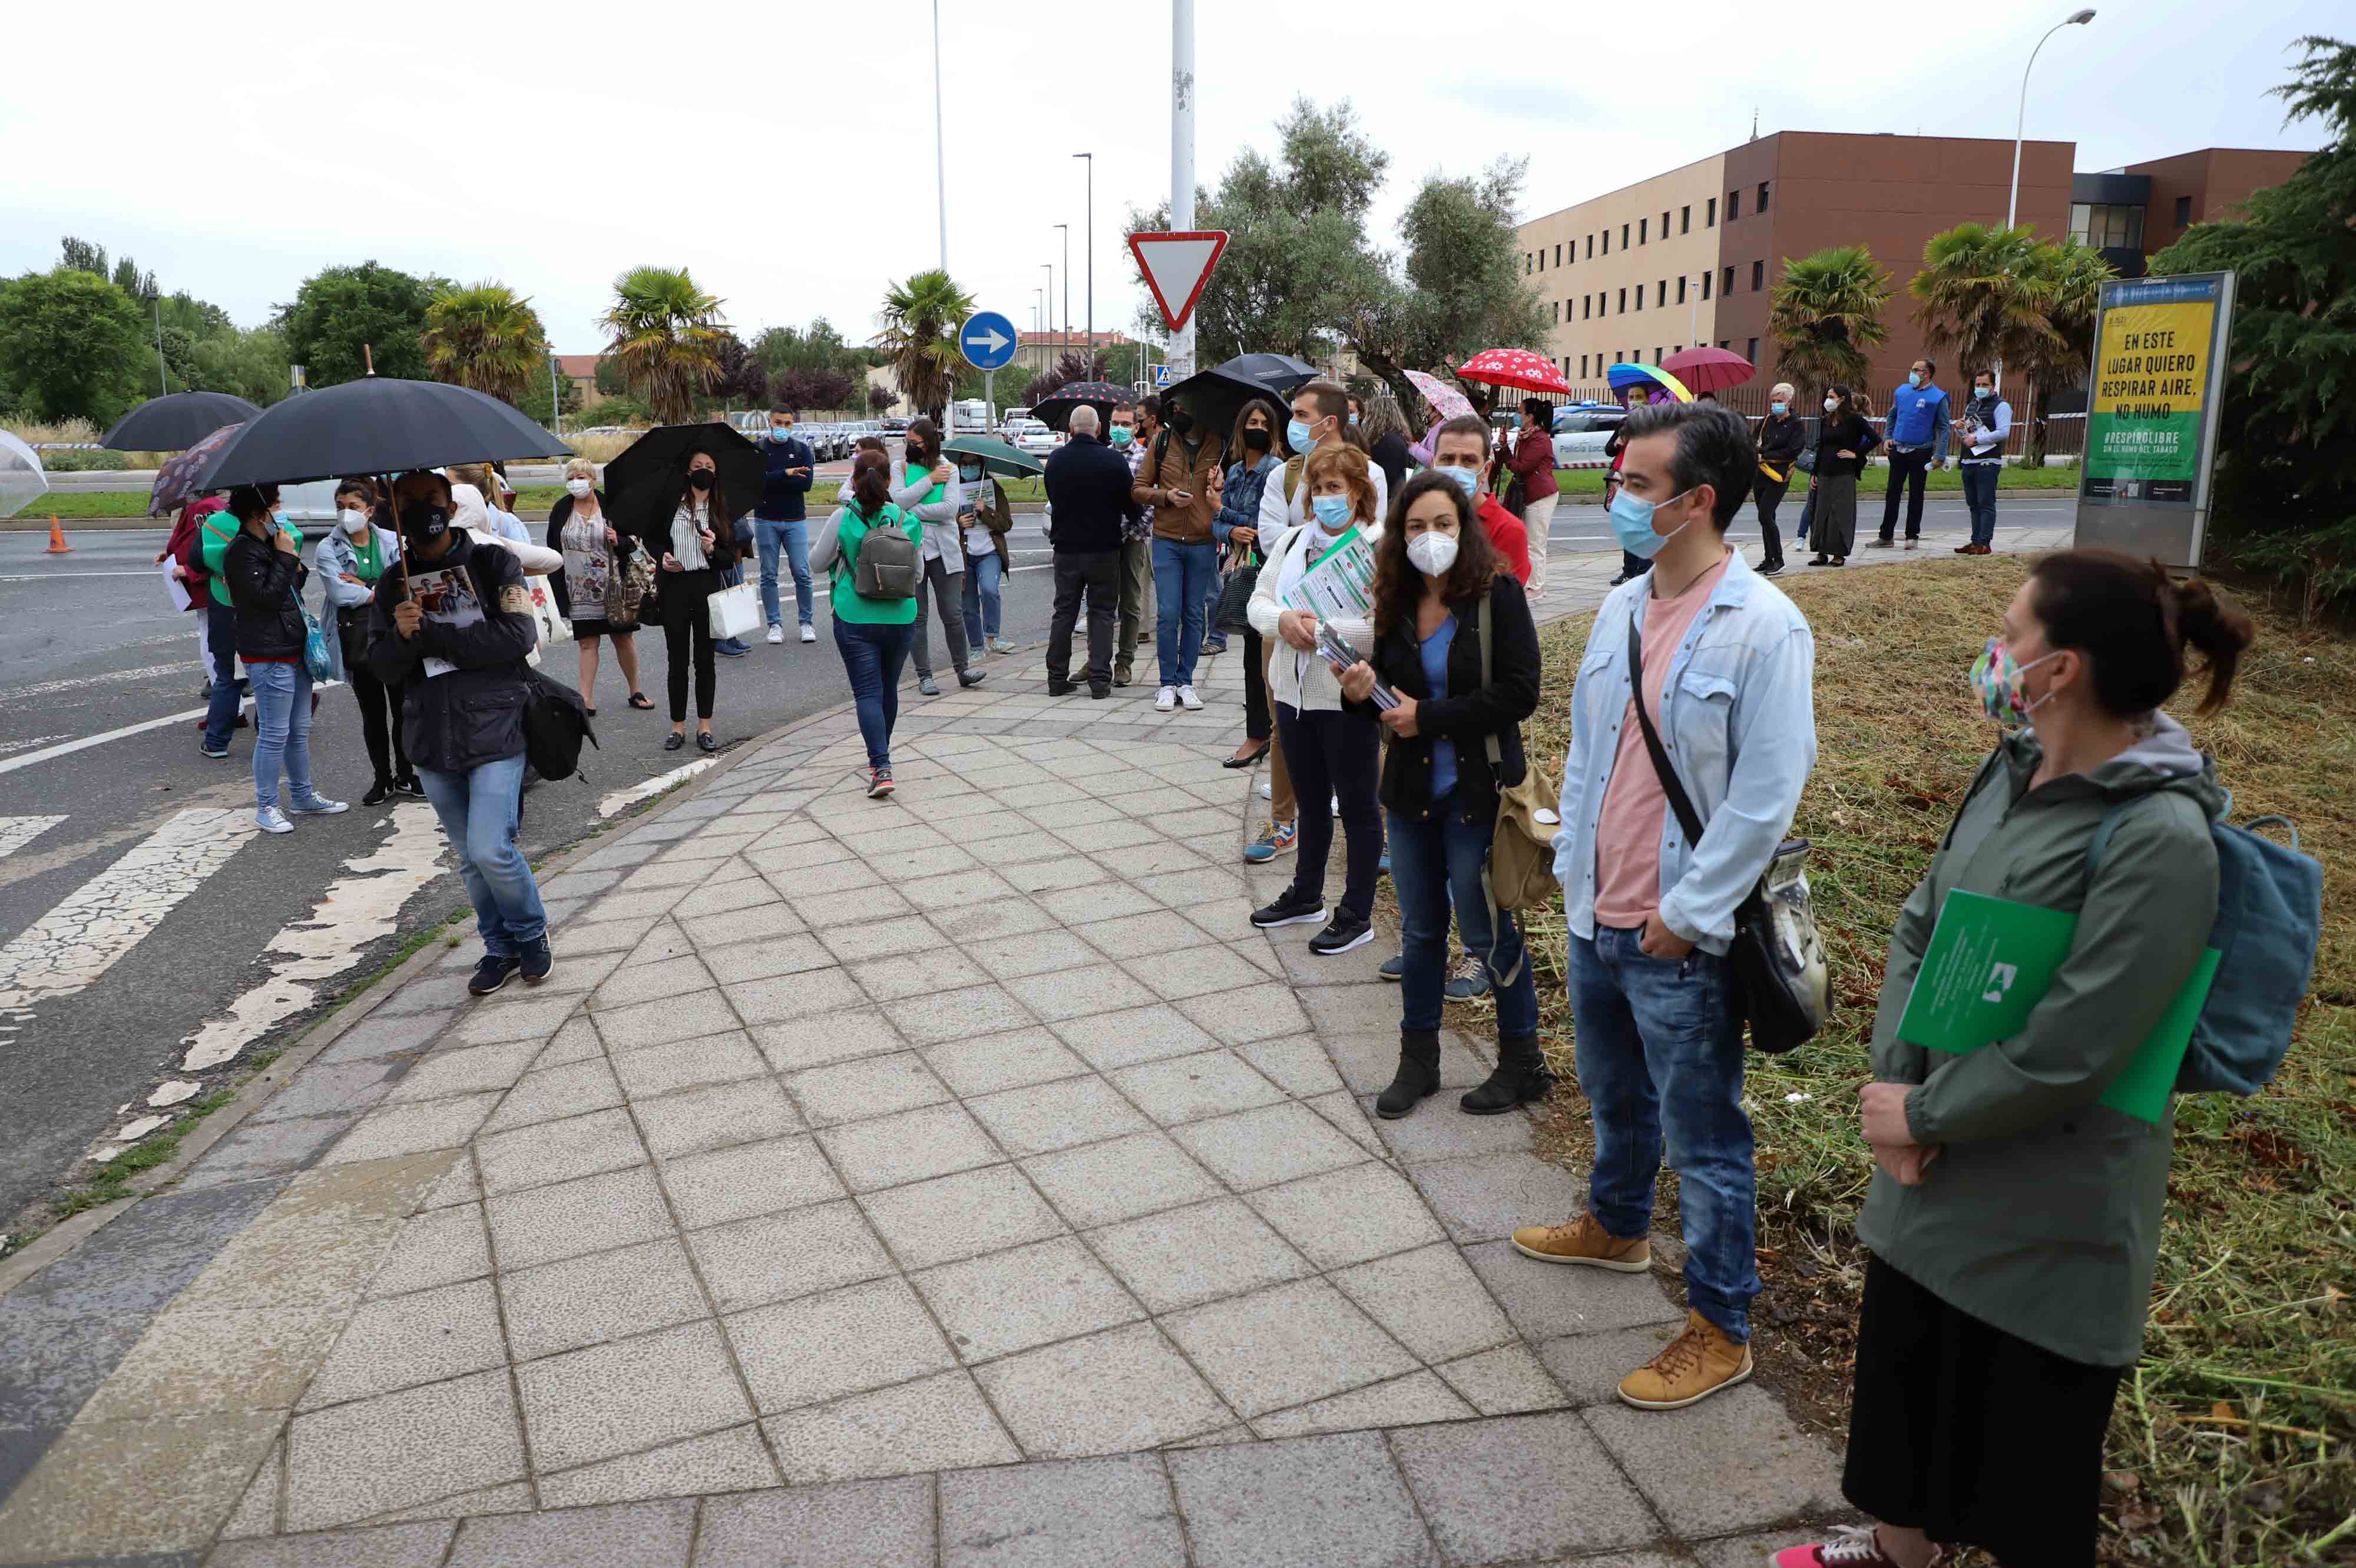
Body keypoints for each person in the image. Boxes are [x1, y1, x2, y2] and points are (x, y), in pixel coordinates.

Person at [1782, 551, 2251, 1568]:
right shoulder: (2011, 770)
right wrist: (1897, 1087)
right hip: (1933, 1171)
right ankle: (1899, 1551)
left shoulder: (2162, 837)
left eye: (2009, 633)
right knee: (1909, 1407)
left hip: (2048, 1214)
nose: (1993, 652)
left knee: (2025, 1473)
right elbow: (1923, 921)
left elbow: (2080, 1043)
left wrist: (1923, 1115)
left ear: (2062, 667)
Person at [1513, 401, 1816, 1412]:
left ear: (1698, 501)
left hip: (1680, 933)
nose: (1618, 497)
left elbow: (1767, 795)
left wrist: (1688, 913)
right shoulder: (1621, 608)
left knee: (1705, 1137)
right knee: (1615, 1094)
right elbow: (1591, 753)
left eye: (1638, 485)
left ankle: (1722, 1325)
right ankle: (1616, 1225)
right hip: (1599, 911)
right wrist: (1573, 872)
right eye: (1618, 480)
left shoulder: (1764, 626)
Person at [1341, 471, 1544, 1117]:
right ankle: (1419, 1061)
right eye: (1416, 527)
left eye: (1443, 524)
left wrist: (1426, 717)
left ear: (1465, 528)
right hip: (1411, 796)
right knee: (1422, 932)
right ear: (1400, 537)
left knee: (1488, 933)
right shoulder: (1395, 601)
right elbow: (1388, 704)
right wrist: (1360, 694)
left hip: (1477, 797)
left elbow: (1520, 692)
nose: (1430, 537)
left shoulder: (1497, 596)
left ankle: (1523, 1063)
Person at [368, 469, 549, 994]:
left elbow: (517, 636)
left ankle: (530, 934)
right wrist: (401, 637)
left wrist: (432, 631)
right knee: (470, 858)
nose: (422, 509)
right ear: (394, 513)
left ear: (450, 506)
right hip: (430, 735)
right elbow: (381, 667)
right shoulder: (392, 582)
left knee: (492, 849)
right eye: (408, 502)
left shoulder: (494, 563)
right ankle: (499, 947)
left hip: (495, 725)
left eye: (431, 498)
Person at [1246, 446, 1387, 957]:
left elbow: (1383, 627)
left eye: (1336, 488)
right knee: (1310, 801)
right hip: (1292, 693)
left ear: (1358, 493)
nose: (1326, 497)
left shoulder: (1378, 547)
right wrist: (1282, 621)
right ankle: (1307, 895)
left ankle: (1357, 913)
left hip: (1344, 696)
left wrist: (1323, 630)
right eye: (1319, 488)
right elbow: (1258, 601)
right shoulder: (1292, 541)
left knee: (1358, 806)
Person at [221, 485, 346, 833]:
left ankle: (303, 796)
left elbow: (294, 586)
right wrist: (285, 558)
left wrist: (289, 557)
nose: (281, 513)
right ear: (258, 514)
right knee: (274, 733)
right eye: (276, 506)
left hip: (294, 646)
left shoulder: (270, 544)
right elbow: (266, 599)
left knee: (298, 730)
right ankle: (267, 805)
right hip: (267, 652)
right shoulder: (241, 552)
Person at [808, 449, 921, 796]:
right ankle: (880, 757)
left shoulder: (842, 518)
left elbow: (816, 563)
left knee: (868, 693)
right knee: (888, 689)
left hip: (854, 614)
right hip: (901, 616)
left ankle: (881, 767)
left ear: (854, 481)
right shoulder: (907, 520)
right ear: (889, 481)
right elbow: (917, 573)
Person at [620, 448, 738, 753]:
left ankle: (705, 726)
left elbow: (729, 558)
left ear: (716, 473)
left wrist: (712, 549)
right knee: (677, 660)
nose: (703, 470)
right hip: (675, 588)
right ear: (688, 472)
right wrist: (663, 558)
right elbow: (653, 540)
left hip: (706, 588)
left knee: (705, 661)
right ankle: (677, 726)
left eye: (709, 466)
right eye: (698, 465)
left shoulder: (720, 509)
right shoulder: (672, 505)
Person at [317, 479, 419, 805]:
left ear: (370, 511)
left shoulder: (392, 540)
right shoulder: (328, 548)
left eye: (353, 507)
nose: (345, 513)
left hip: (395, 634)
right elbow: (340, 594)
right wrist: (378, 589)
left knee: (403, 709)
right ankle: (382, 778)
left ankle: (407, 773)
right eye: (340, 507)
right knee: (372, 714)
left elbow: (405, 586)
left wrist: (364, 585)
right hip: (357, 637)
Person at [1041, 405, 1138, 699]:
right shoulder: (1113, 461)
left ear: (1071, 430)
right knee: (1103, 614)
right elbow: (1131, 507)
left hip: (1066, 550)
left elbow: (1053, 497)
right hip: (1104, 550)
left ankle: (1057, 679)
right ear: (1099, 429)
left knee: (1064, 613)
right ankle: (1099, 680)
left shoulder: (1055, 460)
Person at [1135, 396, 1226, 712]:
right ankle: (1166, 683)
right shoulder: (1161, 442)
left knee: (1194, 613)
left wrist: (1220, 487)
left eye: (1186, 408)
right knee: (1168, 613)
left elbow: (1229, 494)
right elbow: (1138, 488)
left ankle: (1186, 681)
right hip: (1167, 540)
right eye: (1175, 409)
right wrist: (1166, 496)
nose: (1179, 413)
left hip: (1203, 540)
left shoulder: (1219, 444)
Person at [547, 458, 651, 716]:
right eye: (571, 478)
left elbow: (635, 539)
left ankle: (635, 690)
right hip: (577, 592)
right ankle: (586, 700)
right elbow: (552, 548)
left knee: (623, 638)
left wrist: (619, 541)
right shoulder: (561, 509)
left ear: (593, 480)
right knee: (587, 643)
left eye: (581, 477)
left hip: (613, 588)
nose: (576, 483)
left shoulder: (611, 505)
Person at [899, 418, 984, 696]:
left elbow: (949, 510)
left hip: (944, 551)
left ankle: (963, 670)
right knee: (918, 616)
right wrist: (929, 482)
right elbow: (897, 502)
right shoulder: (900, 468)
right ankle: (924, 676)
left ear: (930, 443)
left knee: (953, 613)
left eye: (915, 443)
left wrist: (913, 509)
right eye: (907, 442)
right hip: (912, 551)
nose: (910, 447)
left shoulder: (950, 468)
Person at [162, 492, 249, 754]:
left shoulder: (209, 512)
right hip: (258, 603)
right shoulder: (273, 522)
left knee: (224, 666)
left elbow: (199, 556)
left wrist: (187, 568)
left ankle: (219, 737)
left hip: (222, 597)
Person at [1259, 379, 1390, 535]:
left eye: (1301, 415)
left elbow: (1370, 537)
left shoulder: (1370, 473)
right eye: (1294, 414)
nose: (1292, 422)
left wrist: (1305, 538)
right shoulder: (1282, 475)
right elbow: (1269, 537)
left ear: (1329, 423)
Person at [1430, 415, 1531, 585]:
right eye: (1447, 459)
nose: (1456, 468)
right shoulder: (1418, 519)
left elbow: (1505, 597)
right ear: (1433, 464)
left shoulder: (1508, 529)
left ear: (1486, 470)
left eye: (1468, 461)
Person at [1872, 358, 1951, 551]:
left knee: (1916, 494)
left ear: (1927, 374)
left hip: (1921, 451)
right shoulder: (1902, 391)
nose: (1912, 373)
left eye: (1917, 370)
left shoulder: (1938, 397)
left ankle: (1912, 536)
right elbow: (1892, 415)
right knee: (1892, 493)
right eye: (1912, 369)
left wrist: (1940, 455)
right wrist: (1888, 437)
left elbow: (1944, 428)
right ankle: (1886, 536)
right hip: (1898, 449)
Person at [756, 407, 818, 643]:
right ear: (770, 422)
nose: (782, 428)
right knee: (768, 575)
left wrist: (773, 478)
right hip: (766, 520)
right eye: (778, 422)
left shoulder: (801, 450)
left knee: (802, 573)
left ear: (793, 424)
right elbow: (756, 482)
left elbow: (806, 485)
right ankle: (774, 625)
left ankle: (806, 623)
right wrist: (786, 473)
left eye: (787, 424)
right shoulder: (758, 449)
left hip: (795, 521)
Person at [1111, 398, 1159, 687]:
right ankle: (1096, 661)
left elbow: (1152, 500)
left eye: (1125, 424)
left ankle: (1124, 662)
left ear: (1136, 427)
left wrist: (1138, 532)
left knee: (1130, 603)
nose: (1119, 428)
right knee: (1101, 604)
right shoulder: (1103, 456)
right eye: (1115, 423)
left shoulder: (1144, 458)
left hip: (1132, 539)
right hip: (1104, 539)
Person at [1806, 384, 1879, 567]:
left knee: (1840, 512)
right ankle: (1821, 552)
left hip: (1844, 473)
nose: (1828, 400)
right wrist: (1814, 472)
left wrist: (1856, 453)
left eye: (1832, 397)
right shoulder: (1826, 420)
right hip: (1824, 471)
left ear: (1842, 399)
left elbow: (1875, 439)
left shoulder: (1854, 420)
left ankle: (1839, 553)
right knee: (1821, 512)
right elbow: (1821, 447)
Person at [1494, 397, 1559, 600]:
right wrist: (1505, 447)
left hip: (1541, 495)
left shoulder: (1540, 440)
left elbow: (1522, 467)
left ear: (1530, 417)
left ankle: (1537, 586)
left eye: (1520, 412)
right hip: (1528, 494)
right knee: (1525, 540)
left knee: (1535, 542)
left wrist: (1506, 454)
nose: (1517, 415)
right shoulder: (1525, 437)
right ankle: (1527, 581)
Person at [958, 452, 1017, 654]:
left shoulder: (995, 488)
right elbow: (942, 521)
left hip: (989, 552)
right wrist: (958, 522)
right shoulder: (952, 488)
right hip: (963, 554)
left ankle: (993, 639)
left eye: (973, 463)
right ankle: (976, 648)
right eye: (964, 464)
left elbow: (1006, 524)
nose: (968, 467)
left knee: (989, 591)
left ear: (982, 465)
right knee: (968, 603)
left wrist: (986, 511)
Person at [1950, 369, 2011, 557]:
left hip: (1988, 462)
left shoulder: (2001, 406)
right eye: (1978, 385)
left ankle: (1985, 543)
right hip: (1969, 460)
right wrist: (1959, 427)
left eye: (1985, 385)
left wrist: (1977, 440)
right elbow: (1967, 434)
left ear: (1993, 386)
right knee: (1973, 504)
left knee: (1986, 502)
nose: (1981, 388)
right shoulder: (1972, 405)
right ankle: (1975, 541)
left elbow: (2003, 432)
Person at [1751, 383, 1806, 577]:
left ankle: (1779, 559)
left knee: (1765, 515)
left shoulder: (1796, 424)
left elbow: (1793, 450)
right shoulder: (1768, 420)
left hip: (1779, 475)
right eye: (1773, 401)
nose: (1776, 405)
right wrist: (1756, 452)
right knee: (1766, 517)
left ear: (1789, 402)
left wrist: (1765, 454)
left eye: (1780, 401)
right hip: (1761, 474)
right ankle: (1769, 559)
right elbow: (1754, 439)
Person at [1603, 389, 1650, 585]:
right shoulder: (1625, 423)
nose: (1634, 401)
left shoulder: (1653, 423)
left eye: (1638, 397)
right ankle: (1629, 570)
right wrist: (1618, 442)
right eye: (1631, 397)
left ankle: (1643, 571)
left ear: (1648, 399)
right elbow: (1609, 450)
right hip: (1621, 480)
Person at [1361, 393, 1415, 498]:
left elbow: (1387, 477)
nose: (1365, 418)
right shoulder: (1394, 438)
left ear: (1376, 415)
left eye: (1368, 413)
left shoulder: (1389, 442)